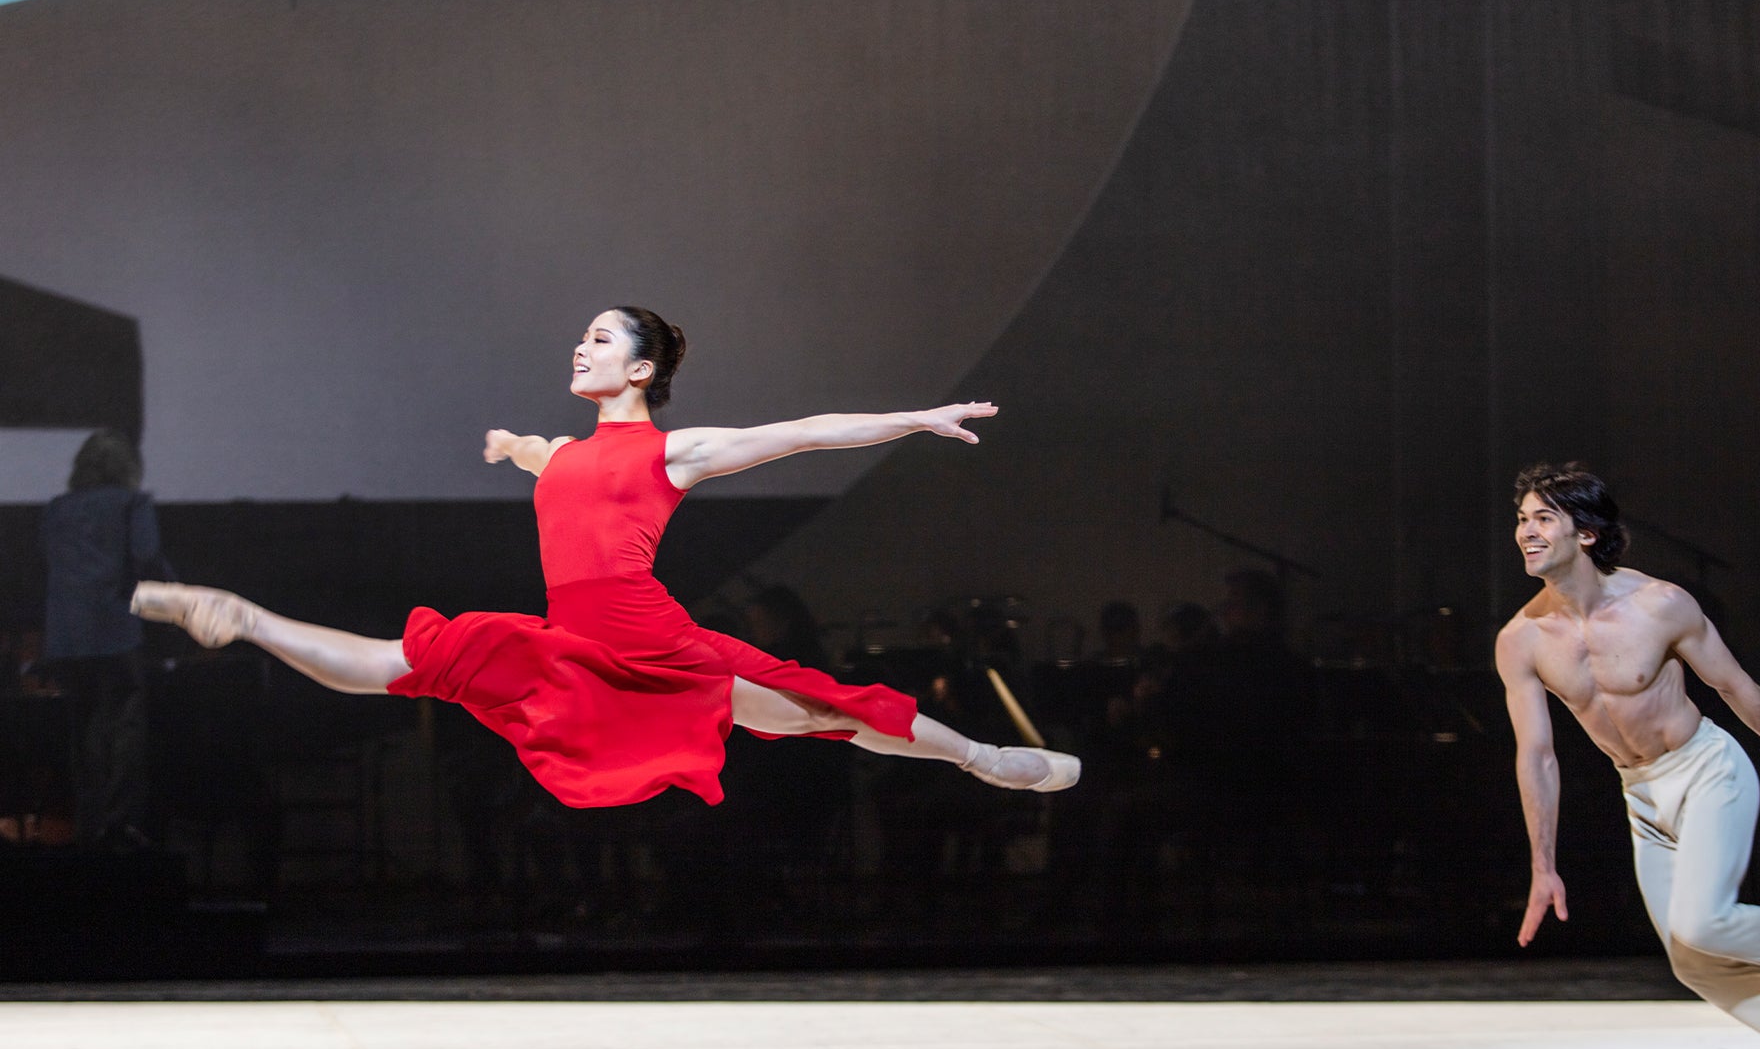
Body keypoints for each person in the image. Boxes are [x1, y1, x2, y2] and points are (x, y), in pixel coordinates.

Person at [131, 308, 1078, 813]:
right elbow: (562, 468)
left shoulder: (672, 449)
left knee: (813, 711)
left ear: (639, 371)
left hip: (647, 633)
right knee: (410, 664)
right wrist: (518, 451)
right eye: (580, 335)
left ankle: (982, 758)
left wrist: (910, 419)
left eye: (599, 338)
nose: (578, 345)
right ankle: (245, 617)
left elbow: (797, 434)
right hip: (571, 640)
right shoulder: (573, 454)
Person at [1497, 461, 1760, 1049]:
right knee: (1693, 959)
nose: (1526, 533)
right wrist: (1543, 864)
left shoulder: (1660, 605)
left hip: (1707, 770)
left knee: (1703, 919)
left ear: (1585, 534)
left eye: (1543, 519)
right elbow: (1536, 756)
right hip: (1642, 795)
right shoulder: (1524, 639)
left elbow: (1734, 685)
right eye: (1521, 520)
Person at [41, 429, 175, 851]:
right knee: (126, 726)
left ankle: (88, 823)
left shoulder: (57, 510)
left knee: (85, 730)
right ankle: (120, 826)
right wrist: (178, 593)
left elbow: (51, 564)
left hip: (65, 638)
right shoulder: (132, 504)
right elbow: (146, 555)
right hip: (114, 631)